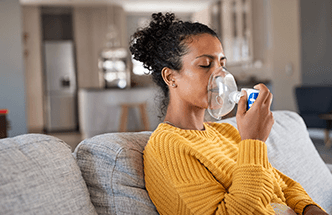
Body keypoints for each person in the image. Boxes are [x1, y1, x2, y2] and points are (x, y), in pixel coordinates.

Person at [129, 12, 327, 215]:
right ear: (170, 77)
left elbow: (282, 185)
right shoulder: (168, 147)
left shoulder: (226, 132)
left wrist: (309, 208)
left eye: (222, 64)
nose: (220, 75)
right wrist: (253, 142)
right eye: (205, 65)